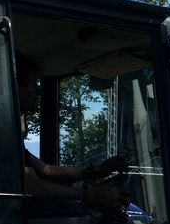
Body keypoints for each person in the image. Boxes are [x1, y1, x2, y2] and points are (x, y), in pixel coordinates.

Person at [16, 57, 128, 214]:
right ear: (15, 86)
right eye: (33, 83)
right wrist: (92, 194)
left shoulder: (12, 140)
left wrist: (98, 170)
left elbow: (46, 170)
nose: (39, 91)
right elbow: (31, 185)